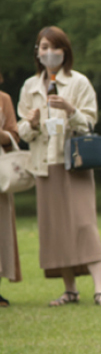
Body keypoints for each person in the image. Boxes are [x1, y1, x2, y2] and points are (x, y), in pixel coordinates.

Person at [17, 26, 101, 306]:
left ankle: (100, 289)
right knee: (55, 227)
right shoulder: (29, 86)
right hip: (45, 164)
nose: (49, 53)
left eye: (54, 47)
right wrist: (32, 123)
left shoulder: (79, 83)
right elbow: (23, 131)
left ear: (65, 51)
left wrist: (71, 110)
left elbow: (90, 122)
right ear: (37, 52)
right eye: (43, 47)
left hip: (76, 161)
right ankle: (69, 289)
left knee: (85, 223)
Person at [0, 76, 22, 305]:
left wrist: (2, 136)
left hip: (1, 172)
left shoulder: (3, 99)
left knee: (1, 227)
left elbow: (14, 135)